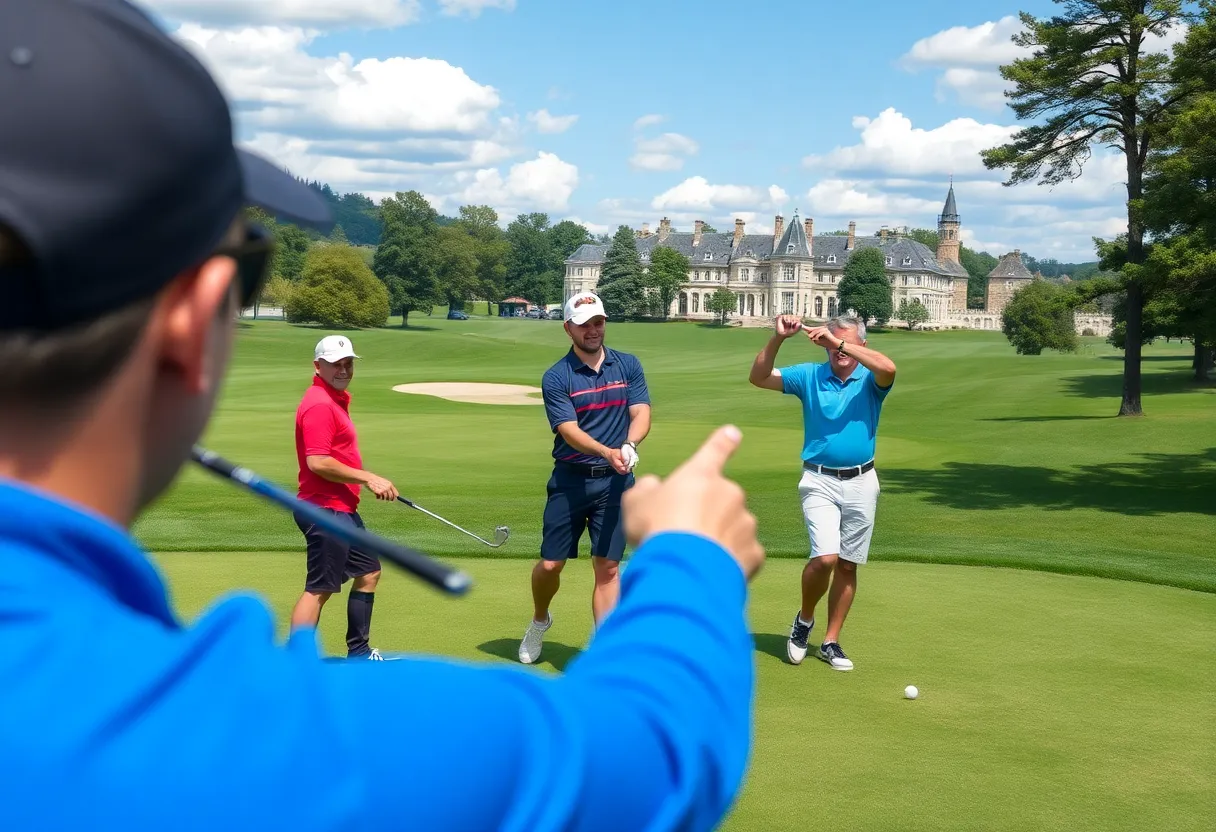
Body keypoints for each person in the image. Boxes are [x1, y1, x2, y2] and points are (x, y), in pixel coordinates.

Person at [0, 2, 764, 828]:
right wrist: (692, 558)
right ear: (195, 322)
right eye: (249, 269)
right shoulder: (249, 743)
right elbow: (655, 756)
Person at [748, 313, 897, 671]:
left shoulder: (870, 378)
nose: (836, 350)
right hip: (819, 479)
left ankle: (831, 641)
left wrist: (840, 343)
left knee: (848, 564)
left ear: (862, 343)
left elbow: (889, 369)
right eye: (830, 343)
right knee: (826, 557)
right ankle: (805, 619)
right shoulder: (810, 375)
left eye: (844, 343)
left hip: (863, 480)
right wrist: (778, 339)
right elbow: (759, 377)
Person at [518, 291, 652, 664]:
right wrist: (607, 452)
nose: (593, 330)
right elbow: (567, 429)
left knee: (607, 568)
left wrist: (628, 443)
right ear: (568, 329)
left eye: (598, 322)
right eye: (584, 325)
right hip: (571, 479)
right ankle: (540, 618)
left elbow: (641, 412)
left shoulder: (627, 365)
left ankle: (605, 653)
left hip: (616, 484)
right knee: (550, 565)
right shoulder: (557, 376)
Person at [290, 334, 400, 660]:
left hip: (340, 507)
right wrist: (369, 477)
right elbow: (318, 462)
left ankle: (359, 653)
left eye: (348, 363)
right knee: (319, 589)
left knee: (368, 572)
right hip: (324, 509)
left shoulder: (333, 398)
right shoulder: (320, 405)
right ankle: (295, 663)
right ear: (318, 365)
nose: (343, 369)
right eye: (336, 364)